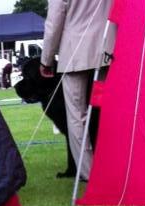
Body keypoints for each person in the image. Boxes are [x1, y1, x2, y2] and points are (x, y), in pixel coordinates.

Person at [40, 0, 112, 180]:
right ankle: (112, 163)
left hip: (74, 52)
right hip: (106, 49)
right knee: (108, 110)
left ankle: (88, 172)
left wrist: (46, 59)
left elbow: (54, 20)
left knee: (76, 116)